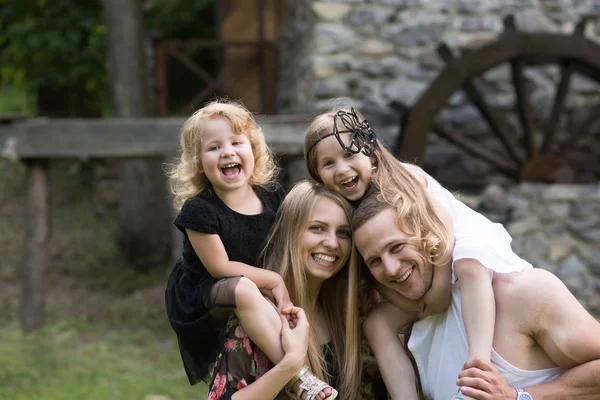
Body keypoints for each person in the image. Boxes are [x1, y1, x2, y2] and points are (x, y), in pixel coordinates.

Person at [304, 105, 530, 399]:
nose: (343, 169)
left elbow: (444, 234)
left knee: (469, 263)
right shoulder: (346, 211)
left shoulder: (406, 179)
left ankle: (479, 365)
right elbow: (377, 273)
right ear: (318, 174)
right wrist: (417, 304)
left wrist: (436, 293)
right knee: (377, 323)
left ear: (370, 152)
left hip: (449, 254)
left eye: (349, 155)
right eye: (329, 163)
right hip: (415, 279)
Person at [352, 188, 600, 399]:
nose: (391, 268)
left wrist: (519, 395)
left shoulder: (521, 293)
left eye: (397, 247)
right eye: (374, 261)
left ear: (426, 232)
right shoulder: (409, 326)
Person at [165, 101, 335, 399]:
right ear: (199, 162)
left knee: (261, 300)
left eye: (236, 142)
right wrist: (273, 280)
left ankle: (300, 364)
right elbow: (220, 268)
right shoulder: (199, 211)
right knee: (244, 289)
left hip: (253, 284)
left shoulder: (270, 196)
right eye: (214, 147)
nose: (228, 152)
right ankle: (298, 375)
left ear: (253, 150)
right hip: (206, 291)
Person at [206, 181, 366, 399]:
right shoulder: (258, 313)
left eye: (344, 233)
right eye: (317, 228)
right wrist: (290, 365)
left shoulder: (347, 316)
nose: (332, 243)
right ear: (290, 232)